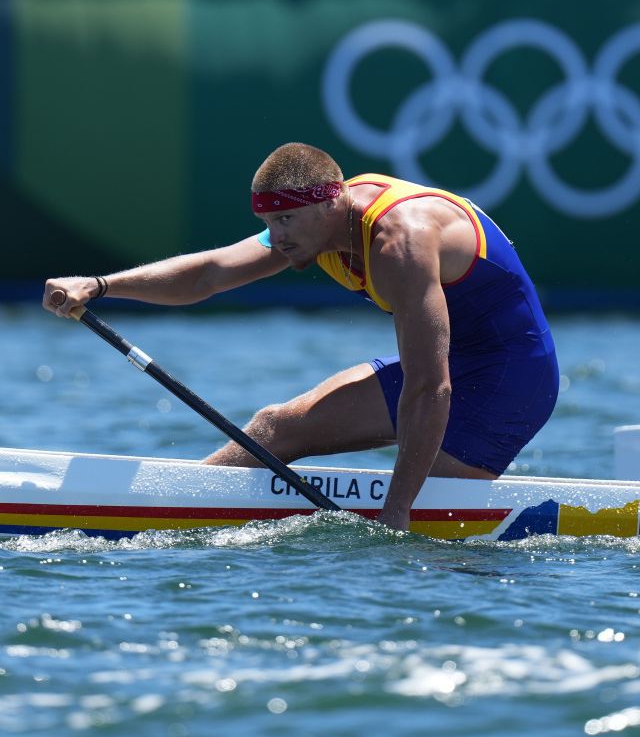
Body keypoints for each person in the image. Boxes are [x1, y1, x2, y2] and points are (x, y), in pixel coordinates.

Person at [44, 142, 559, 530]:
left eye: (286, 220)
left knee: (428, 520)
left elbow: (430, 386)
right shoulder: (314, 224)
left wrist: (396, 514)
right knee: (277, 426)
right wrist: (100, 285)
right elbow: (209, 274)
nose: (277, 237)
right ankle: (165, 512)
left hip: (512, 378)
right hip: (449, 363)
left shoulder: (400, 243)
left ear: (329, 204)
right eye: (269, 222)